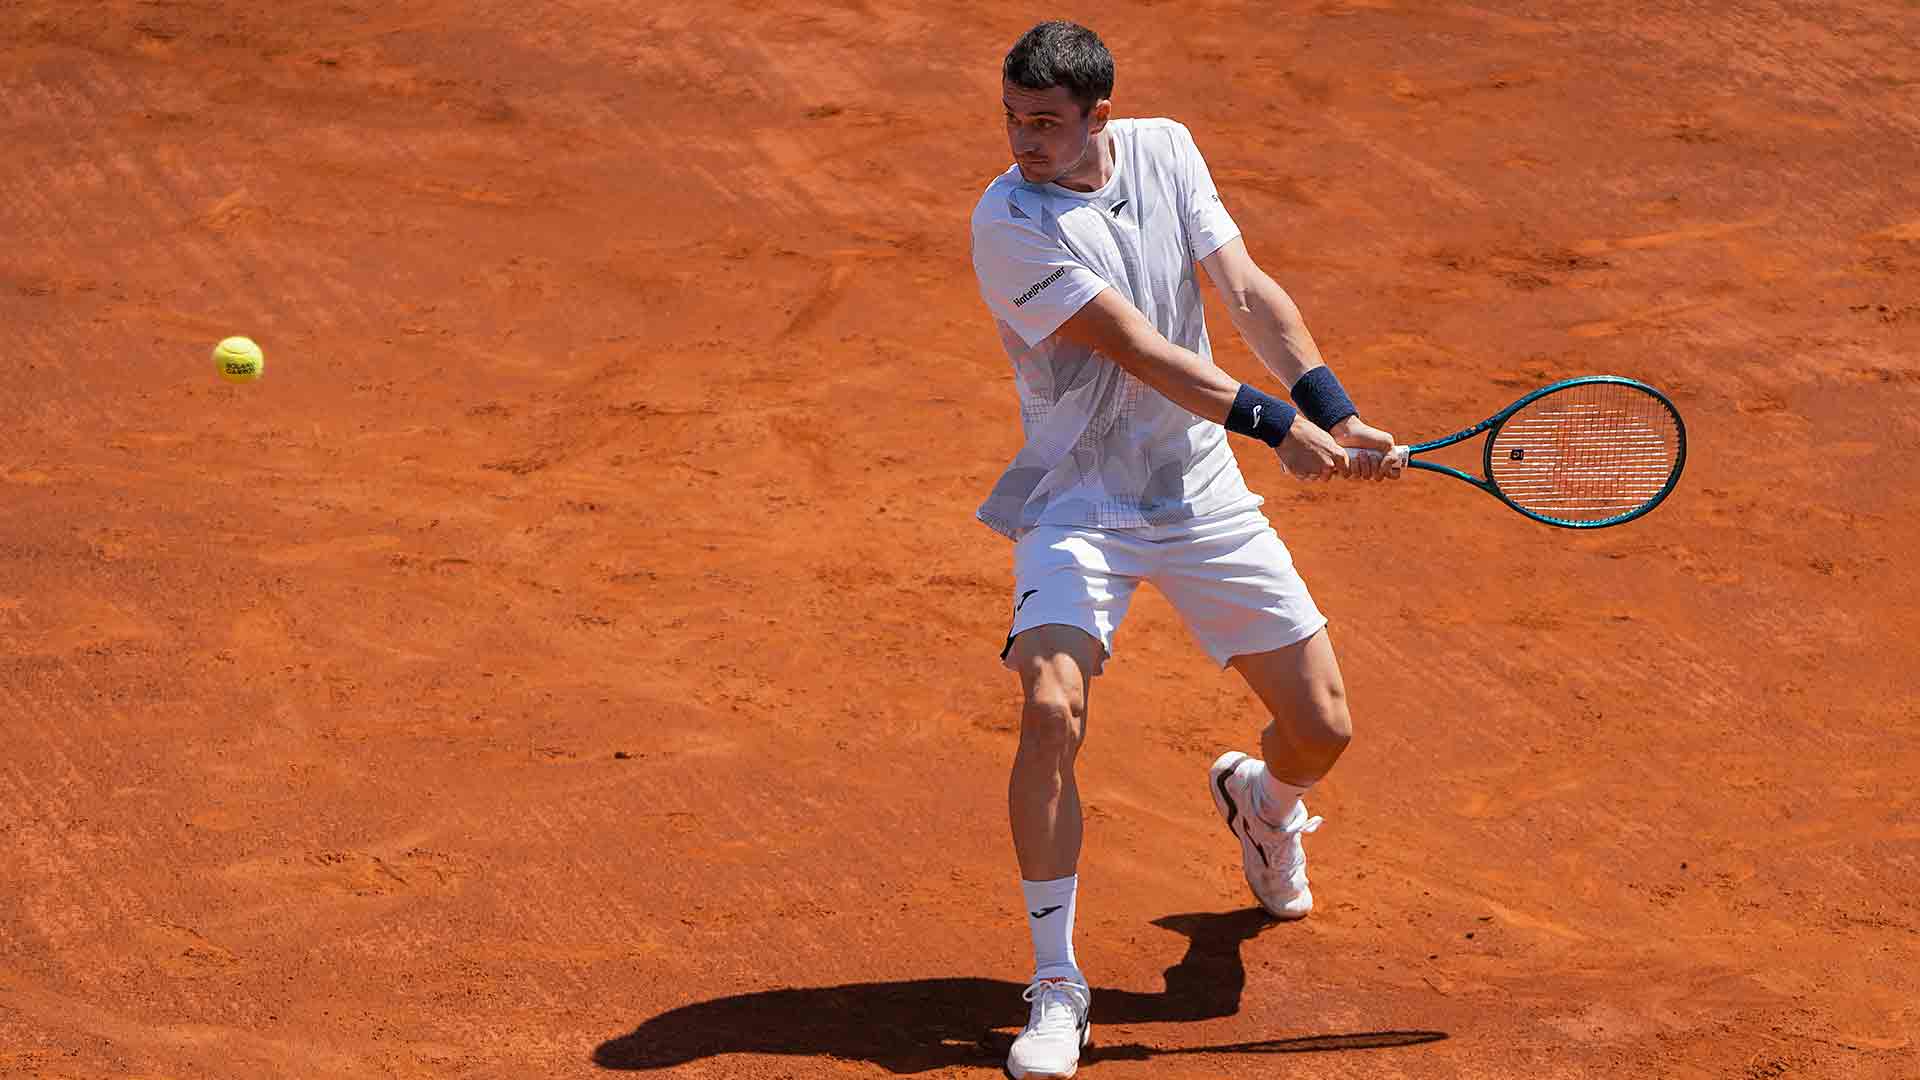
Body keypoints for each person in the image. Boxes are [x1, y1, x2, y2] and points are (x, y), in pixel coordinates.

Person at [968, 20, 1402, 1079]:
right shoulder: (1009, 222)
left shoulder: (1166, 148)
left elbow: (1245, 290)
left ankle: (1264, 805)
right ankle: (1058, 983)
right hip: (1077, 504)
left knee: (1323, 730)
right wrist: (1274, 429)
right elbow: (1141, 350)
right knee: (1049, 707)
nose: (1026, 140)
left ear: (1098, 117)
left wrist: (1332, 413)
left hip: (1200, 497)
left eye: (1048, 123)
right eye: (1015, 119)